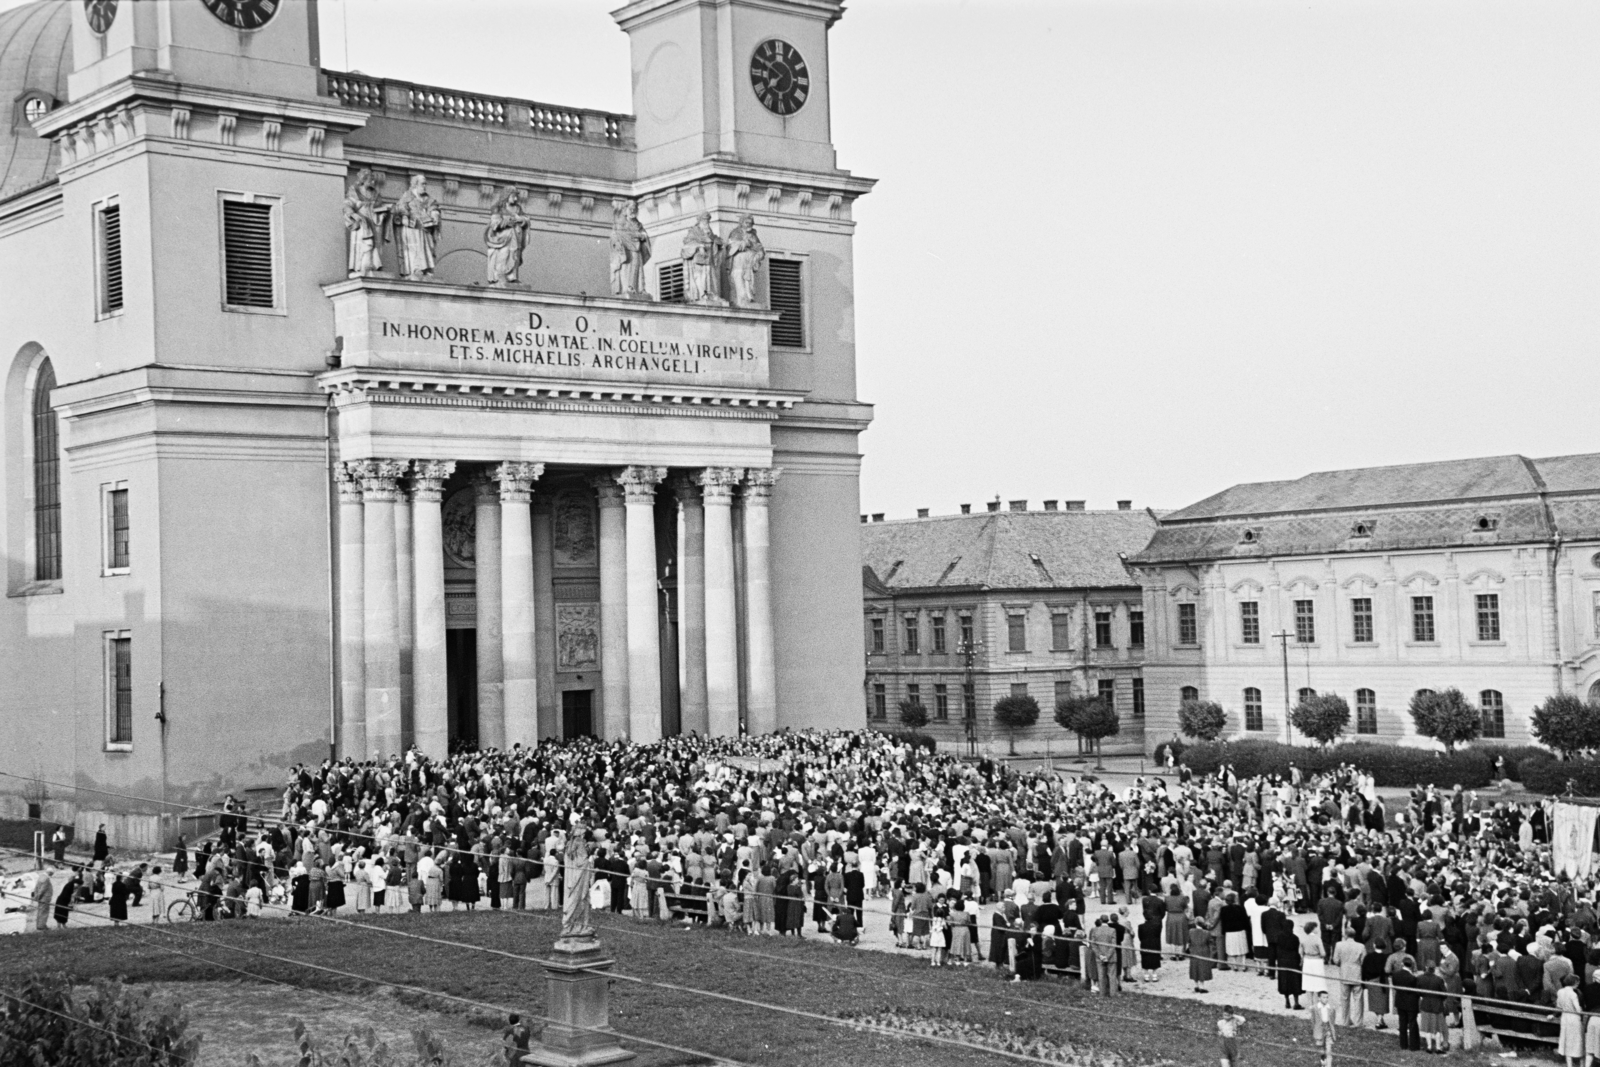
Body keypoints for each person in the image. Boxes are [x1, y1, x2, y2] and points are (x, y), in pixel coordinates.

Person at [1310, 990, 1336, 1067]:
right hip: (1319, 1030)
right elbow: (1313, 1020)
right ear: (1319, 998)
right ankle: (1323, 1059)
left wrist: (1331, 1028)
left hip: (1328, 1030)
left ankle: (1328, 1065)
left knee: (1329, 1049)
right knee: (1321, 1049)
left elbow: (1332, 1020)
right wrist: (1315, 1030)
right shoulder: (1315, 1008)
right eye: (1324, 997)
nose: (1326, 999)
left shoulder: (1331, 1008)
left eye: (1327, 997)